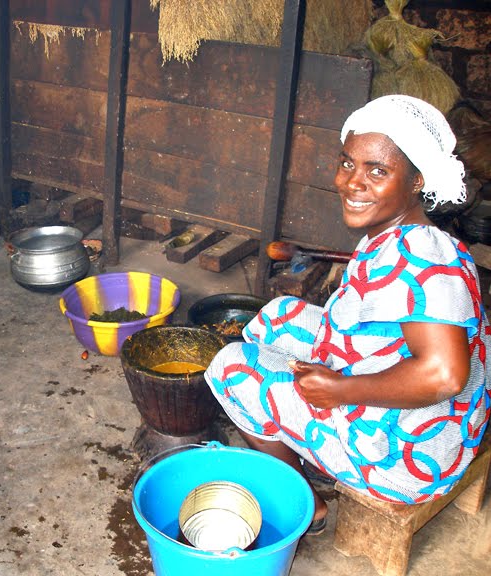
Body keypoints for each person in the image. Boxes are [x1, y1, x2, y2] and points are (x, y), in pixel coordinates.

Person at [204, 94, 491, 535]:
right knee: (276, 315)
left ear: (417, 181)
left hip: (408, 453)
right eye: (347, 163)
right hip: (417, 404)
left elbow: (445, 376)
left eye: (378, 170)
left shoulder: (423, 257)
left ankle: (308, 503)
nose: (352, 182)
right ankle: (298, 438)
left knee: (231, 368)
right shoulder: (402, 233)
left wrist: (339, 389)